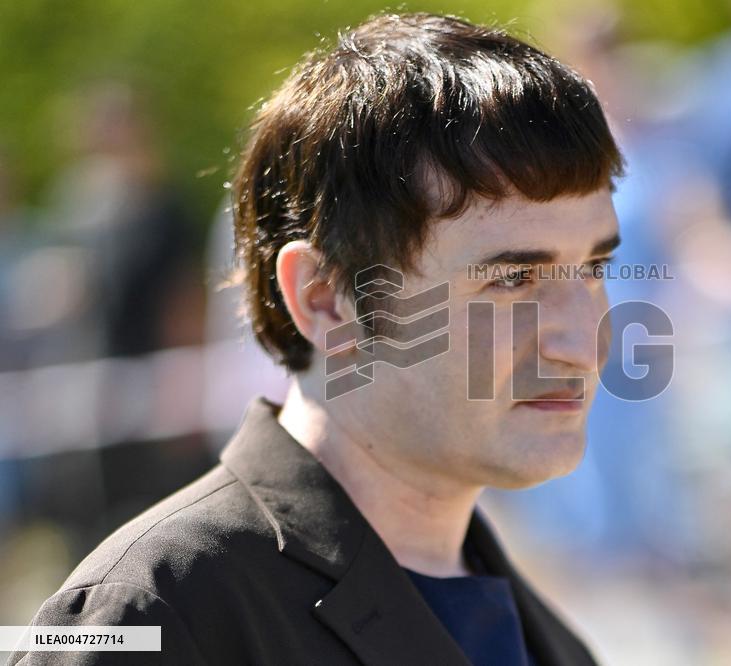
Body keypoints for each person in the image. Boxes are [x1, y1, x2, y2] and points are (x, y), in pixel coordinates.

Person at [8, 12, 625, 666]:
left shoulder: (550, 643)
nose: (581, 343)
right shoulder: (149, 618)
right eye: (513, 279)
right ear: (326, 298)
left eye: (593, 270)